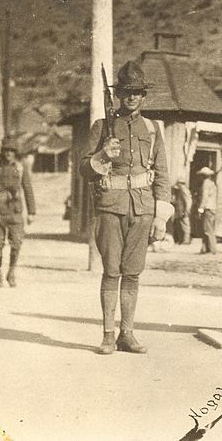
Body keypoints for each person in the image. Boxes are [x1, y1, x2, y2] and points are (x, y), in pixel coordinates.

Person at [80, 60, 172, 355]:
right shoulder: (102, 126)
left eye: (138, 92)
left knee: (132, 274)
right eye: (127, 92)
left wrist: (161, 216)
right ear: (119, 94)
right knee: (111, 272)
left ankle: (127, 334)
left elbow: (162, 174)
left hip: (142, 209)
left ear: (144, 96)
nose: (132, 97)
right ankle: (108, 335)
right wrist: (103, 156)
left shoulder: (153, 129)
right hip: (110, 207)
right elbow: (83, 169)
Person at [0, 137, 36, 287]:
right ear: (2, 151)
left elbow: (27, 188)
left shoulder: (21, 167)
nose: (8, 153)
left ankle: (11, 272)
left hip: (15, 211)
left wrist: (32, 212)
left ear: (16, 152)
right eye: (6, 150)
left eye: (12, 150)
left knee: (16, 243)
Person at [196, 166, 218, 254]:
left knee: (207, 230)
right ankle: (205, 248)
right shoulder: (212, 183)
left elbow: (204, 197)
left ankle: (212, 249)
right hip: (213, 208)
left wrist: (200, 209)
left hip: (207, 208)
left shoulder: (205, 183)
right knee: (209, 228)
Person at [171, 177, 193, 245]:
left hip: (183, 211)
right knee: (181, 225)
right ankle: (182, 240)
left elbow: (188, 201)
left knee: (185, 226)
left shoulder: (184, 190)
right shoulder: (180, 190)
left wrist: (187, 210)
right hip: (180, 210)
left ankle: (186, 240)